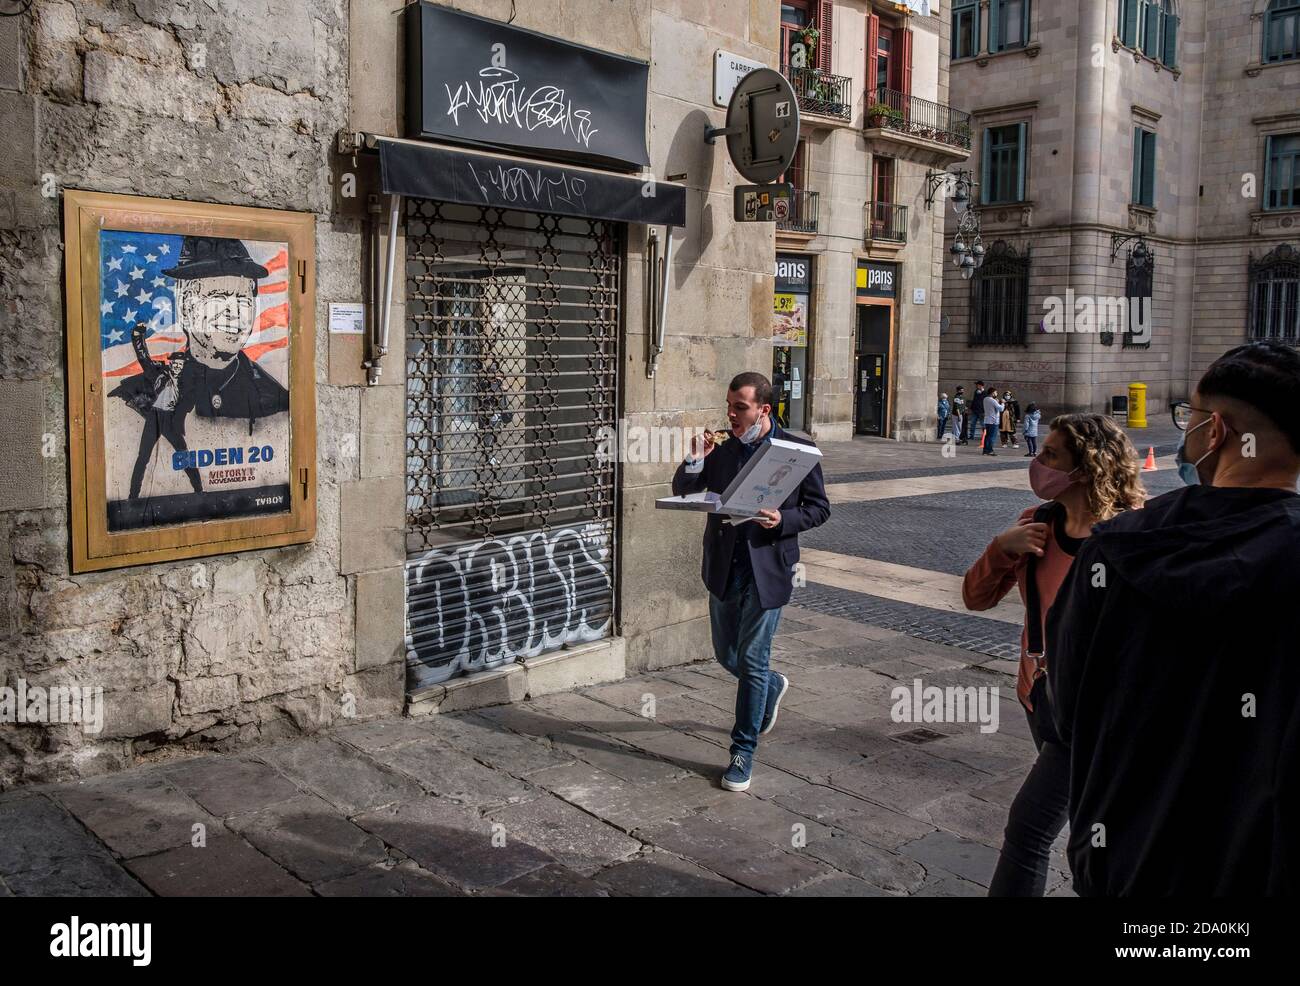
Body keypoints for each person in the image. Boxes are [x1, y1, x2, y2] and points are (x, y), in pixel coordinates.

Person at [1048, 342, 1300, 896]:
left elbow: (1067, 708)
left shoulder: (1117, 546)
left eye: (1188, 416)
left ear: (1216, 432)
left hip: (1128, 850)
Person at [963, 413, 1144, 896]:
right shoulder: (1036, 525)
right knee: (1088, 823)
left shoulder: (1133, 536)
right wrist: (1002, 548)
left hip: (1096, 712)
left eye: (1050, 455)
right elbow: (975, 598)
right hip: (1039, 696)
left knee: (1029, 828)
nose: (1037, 463)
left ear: (1084, 469)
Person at [672, 371, 830, 793]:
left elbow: (819, 509)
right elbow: (683, 489)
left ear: (763, 409)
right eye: (729, 405)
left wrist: (783, 519)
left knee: (753, 663)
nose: (731, 414)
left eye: (739, 407)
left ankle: (743, 750)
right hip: (725, 565)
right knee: (728, 657)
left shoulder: (797, 449)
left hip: (769, 570)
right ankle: (773, 686)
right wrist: (695, 459)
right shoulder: (721, 445)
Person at [982, 387, 1004, 455]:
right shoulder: (992, 400)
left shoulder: (985, 399)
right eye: (996, 392)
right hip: (993, 421)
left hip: (987, 420)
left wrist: (996, 402)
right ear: (992, 393)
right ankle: (990, 450)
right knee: (992, 437)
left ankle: (985, 450)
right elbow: (1001, 409)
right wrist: (1002, 403)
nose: (996, 393)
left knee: (987, 436)